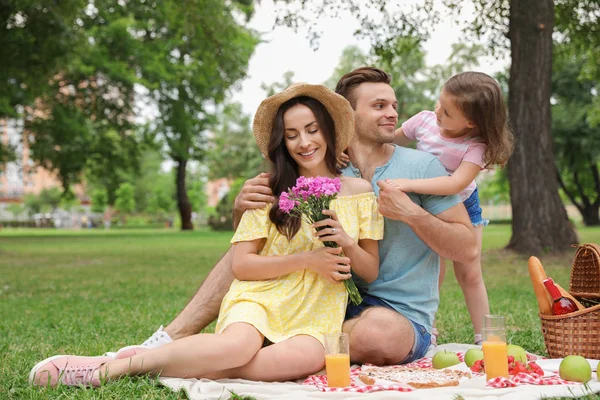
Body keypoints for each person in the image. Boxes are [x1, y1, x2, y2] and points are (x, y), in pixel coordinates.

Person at [49, 67, 476, 375]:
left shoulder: (420, 167)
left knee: (364, 337)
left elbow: (468, 249)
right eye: (379, 105)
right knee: (250, 285)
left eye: (394, 105)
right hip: (316, 298)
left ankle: (208, 356)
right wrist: (243, 208)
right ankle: (170, 343)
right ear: (346, 113)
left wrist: (411, 213)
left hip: (386, 312)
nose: (392, 115)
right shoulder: (312, 177)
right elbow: (256, 249)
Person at [29, 84, 384, 388]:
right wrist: (308, 259)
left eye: (311, 130)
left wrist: (347, 243)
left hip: (317, 311)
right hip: (259, 298)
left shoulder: (359, 191)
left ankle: (158, 359)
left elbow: (369, 271)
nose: (304, 142)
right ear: (282, 143)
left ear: (328, 131)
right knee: (236, 348)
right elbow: (243, 266)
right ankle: (112, 369)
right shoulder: (268, 190)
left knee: (300, 360)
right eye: (292, 135)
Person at [390, 71, 514, 345]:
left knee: (469, 272)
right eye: (439, 102)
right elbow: (388, 144)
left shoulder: (476, 147)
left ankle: (487, 338)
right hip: (425, 205)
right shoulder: (423, 121)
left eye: (446, 111)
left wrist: (410, 183)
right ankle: (426, 330)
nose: (437, 111)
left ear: (471, 122)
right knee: (431, 272)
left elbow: (455, 183)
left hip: (462, 207)